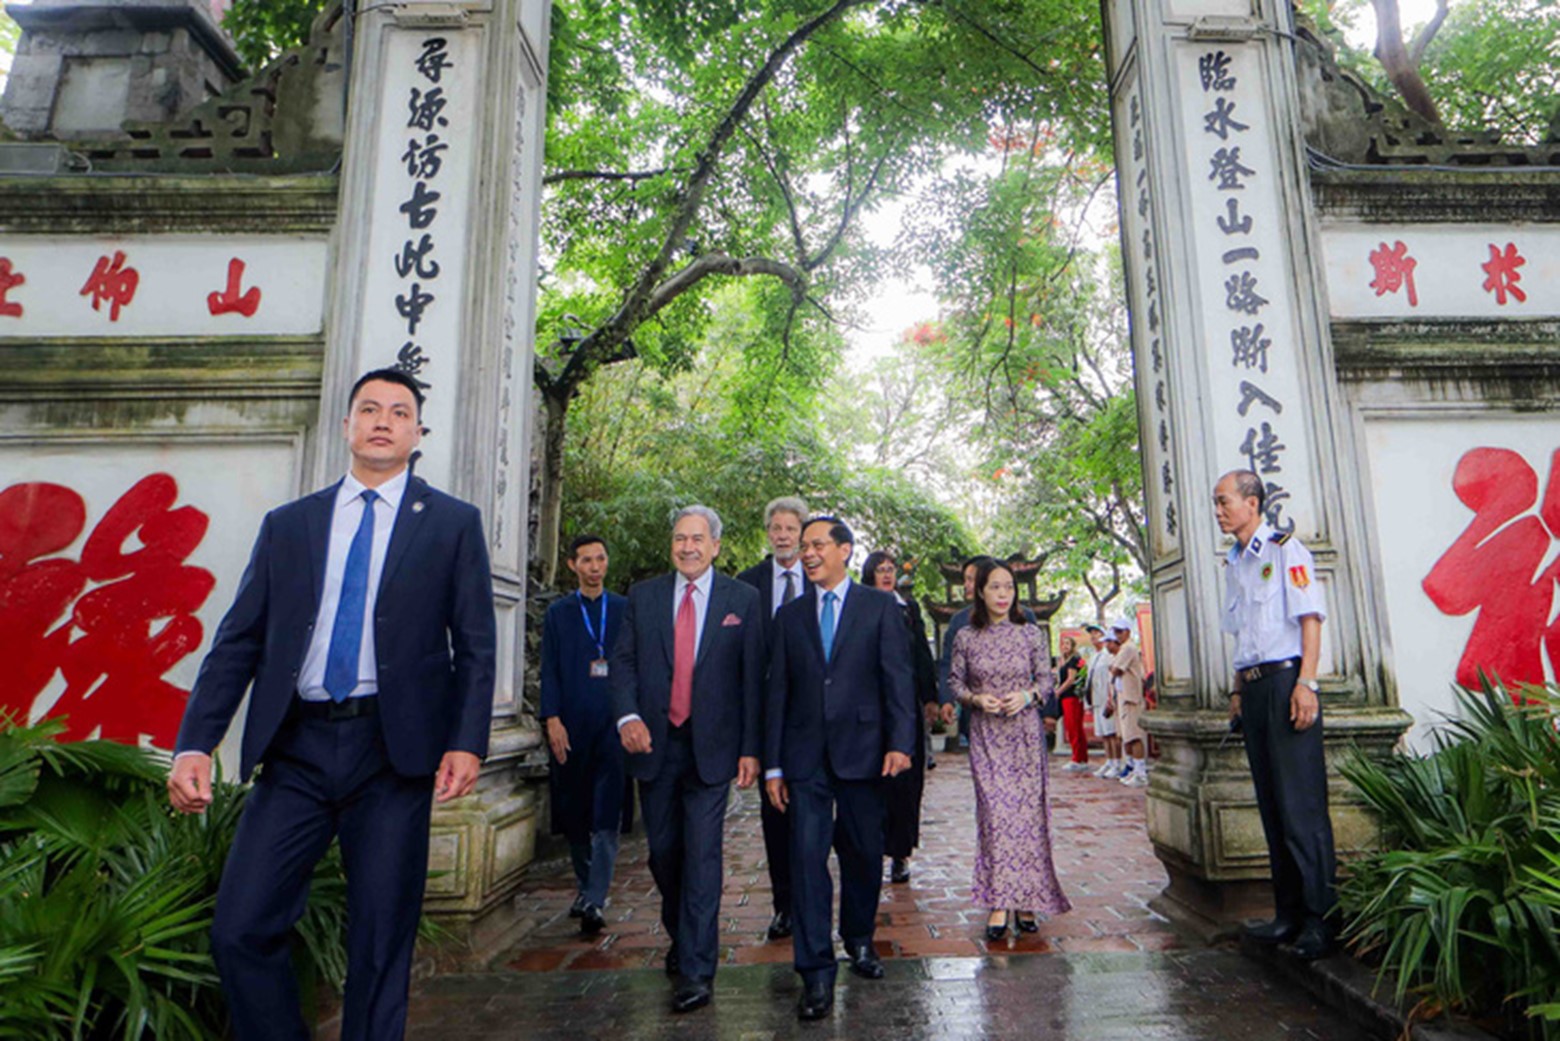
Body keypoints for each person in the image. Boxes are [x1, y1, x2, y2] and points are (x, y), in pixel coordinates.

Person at [167, 368, 496, 1041]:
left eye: (398, 412)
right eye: (368, 409)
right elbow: (239, 641)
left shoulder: (452, 525)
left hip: (391, 751)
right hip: (297, 748)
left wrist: (467, 740)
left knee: (380, 940)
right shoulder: (291, 525)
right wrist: (196, 741)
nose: (382, 420)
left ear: (417, 433)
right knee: (240, 926)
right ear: (346, 426)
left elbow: (476, 645)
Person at [610, 505, 763, 1013]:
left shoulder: (743, 600)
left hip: (712, 750)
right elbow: (624, 662)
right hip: (653, 745)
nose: (688, 547)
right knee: (664, 854)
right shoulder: (644, 596)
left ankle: (698, 969)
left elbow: (750, 681)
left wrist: (750, 748)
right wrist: (626, 716)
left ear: (716, 545)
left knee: (702, 856)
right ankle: (684, 934)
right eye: (680, 538)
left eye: (698, 539)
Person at [765, 517, 915, 1021]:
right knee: (806, 863)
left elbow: (898, 678)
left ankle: (859, 938)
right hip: (805, 759)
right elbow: (777, 695)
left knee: (863, 854)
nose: (807, 554)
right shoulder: (790, 617)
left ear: (845, 551)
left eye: (817, 545)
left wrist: (901, 742)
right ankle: (815, 973)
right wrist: (773, 766)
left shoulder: (878, 607)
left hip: (865, 751)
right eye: (803, 546)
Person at [1215, 469, 1335, 960]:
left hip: (1289, 683)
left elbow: (1310, 618)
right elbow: (1243, 635)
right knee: (1271, 804)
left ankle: (1320, 921)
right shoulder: (1235, 562)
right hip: (1257, 688)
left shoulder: (1288, 550)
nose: (1218, 510)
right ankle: (1287, 915)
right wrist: (1238, 691)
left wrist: (1307, 683)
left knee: (1300, 807)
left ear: (1252, 502)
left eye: (1224, 501)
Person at [948, 559, 1070, 940]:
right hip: (986, 736)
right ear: (980, 591)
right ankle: (999, 901)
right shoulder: (966, 636)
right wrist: (975, 699)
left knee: (1028, 817)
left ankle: (1028, 900)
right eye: (995, 587)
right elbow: (955, 682)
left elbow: (1047, 681)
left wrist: (1027, 695)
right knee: (996, 815)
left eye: (1009, 587)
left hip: (1025, 737)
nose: (1003, 595)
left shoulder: (1031, 634)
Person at [540, 534, 628, 935]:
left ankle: (596, 897)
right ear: (572, 565)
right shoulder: (559, 613)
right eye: (586, 560)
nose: (595, 567)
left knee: (608, 811)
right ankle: (584, 885)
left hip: (613, 725)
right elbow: (550, 670)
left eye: (601, 558)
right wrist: (551, 718)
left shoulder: (625, 610)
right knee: (575, 811)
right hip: (571, 723)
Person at [735, 495, 810, 942]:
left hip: (814, 716)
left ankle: (810, 899)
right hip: (767, 717)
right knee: (775, 812)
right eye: (775, 528)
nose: (782, 536)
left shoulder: (819, 578)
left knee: (813, 812)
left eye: (789, 528)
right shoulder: (748, 586)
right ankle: (784, 903)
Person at [862, 550, 939, 884]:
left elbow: (922, 653)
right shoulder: (858, 606)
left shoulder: (908, 609)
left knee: (906, 783)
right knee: (871, 782)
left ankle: (901, 852)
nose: (886, 575)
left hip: (905, 706)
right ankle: (870, 849)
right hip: (867, 709)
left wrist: (931, 696)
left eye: (890, 569)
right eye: (880, 570)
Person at [1109, 620, 1149, 788]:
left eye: (1120, 631)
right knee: (1127, 736)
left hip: (1131, 698)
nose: (1118, 635)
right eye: (1116, 632)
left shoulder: (1129, 648)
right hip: (1123, 696)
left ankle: (1141, 772)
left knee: (1134, 736)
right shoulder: (1124, 648)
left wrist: (1113, 667)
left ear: (1128, 632)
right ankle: (1134, 767)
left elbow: (1116, 669)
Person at [1085, 625, 1124, 778]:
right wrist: (1087, 701)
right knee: (1104, 734)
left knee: (1112, 732)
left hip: (1107, 698)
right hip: (1096, 699)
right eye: (1092, 634)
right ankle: (1109, 761)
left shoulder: (1109, 655)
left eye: (1097, 633)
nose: (1093, 636)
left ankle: (1117, 762)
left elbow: (1112, 678)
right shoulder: (1093, 657)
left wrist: (1111, 697)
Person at [1054, 635, 1091, 772]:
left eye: (1068, 643)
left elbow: (1071, 679)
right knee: (1073, 727)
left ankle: (1077, 758)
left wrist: (1058, 691)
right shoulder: (1064, 661)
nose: (1065, 646)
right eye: (1063, 643)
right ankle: (1081, 757)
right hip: (1066, 697)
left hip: (1072, 696)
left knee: (1074, 727)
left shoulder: (1074, 660)